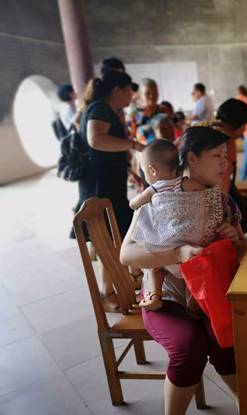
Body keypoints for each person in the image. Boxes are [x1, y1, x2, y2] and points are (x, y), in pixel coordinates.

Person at [120, 126, 246, 415]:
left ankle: (246, 401)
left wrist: (235, 240)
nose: (225, 163)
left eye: (226, 156)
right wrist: (176, 253)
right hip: (165, 296)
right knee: (189, 347)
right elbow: (127, 254)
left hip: (210, 293)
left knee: (225, 339)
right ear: (191, 158)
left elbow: (242, 257)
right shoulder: (158, 199)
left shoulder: (223, 202)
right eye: (216, 155)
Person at [128, 138, 235, 319]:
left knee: (155, 267)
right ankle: (194, 296)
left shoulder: (154, 188)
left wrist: (138, 202)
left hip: (165, 243)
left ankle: (154, 294)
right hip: (189, 241)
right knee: (195, 266)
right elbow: (201, 196)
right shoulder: (185, 183)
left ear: (152, 170)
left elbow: (134, 204)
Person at [73, 70, 145, 310]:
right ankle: (107, 294)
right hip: (99, 185)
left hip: (109, 183)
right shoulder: (99, 109)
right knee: (106, 238)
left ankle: (118, 283)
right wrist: (134, 145)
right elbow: (96, 140)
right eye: (128, 91)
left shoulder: (104, 109)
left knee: (115, 235)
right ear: (117, 90)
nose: (131, 96)